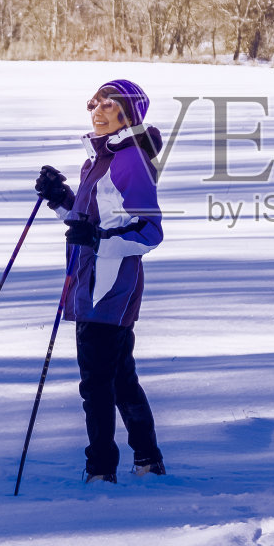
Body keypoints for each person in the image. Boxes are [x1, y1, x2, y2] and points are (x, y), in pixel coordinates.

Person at [34, 79, 166, 484]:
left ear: (130, 115)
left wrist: (99, 241)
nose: (98, 111)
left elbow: (149, 231)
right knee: (119, 378)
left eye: (110, 105)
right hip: (86, 281)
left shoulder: (131, 160)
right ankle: (148, 460)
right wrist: (61, 199)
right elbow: (88, 222)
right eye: (95, 103)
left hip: (112, 286)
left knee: (95, 382)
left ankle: (101, 471)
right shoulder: (97, 159)